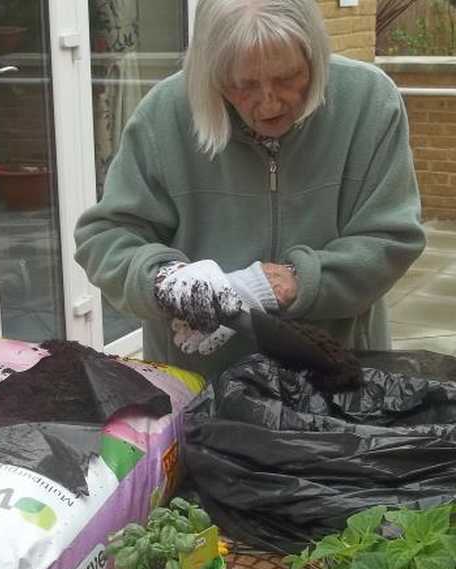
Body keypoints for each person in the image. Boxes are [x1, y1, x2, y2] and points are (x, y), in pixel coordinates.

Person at [75, 0, 425, 380]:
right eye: (244, 85)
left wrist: (286, 283)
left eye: (289, 77)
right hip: (200, 381)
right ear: (212, 73)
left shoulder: (369, 103)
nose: (269, 102)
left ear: (315, 55)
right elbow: (106, 238)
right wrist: (168, 283)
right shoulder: (165, 112)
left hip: (335, 370)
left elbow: (391, 238)